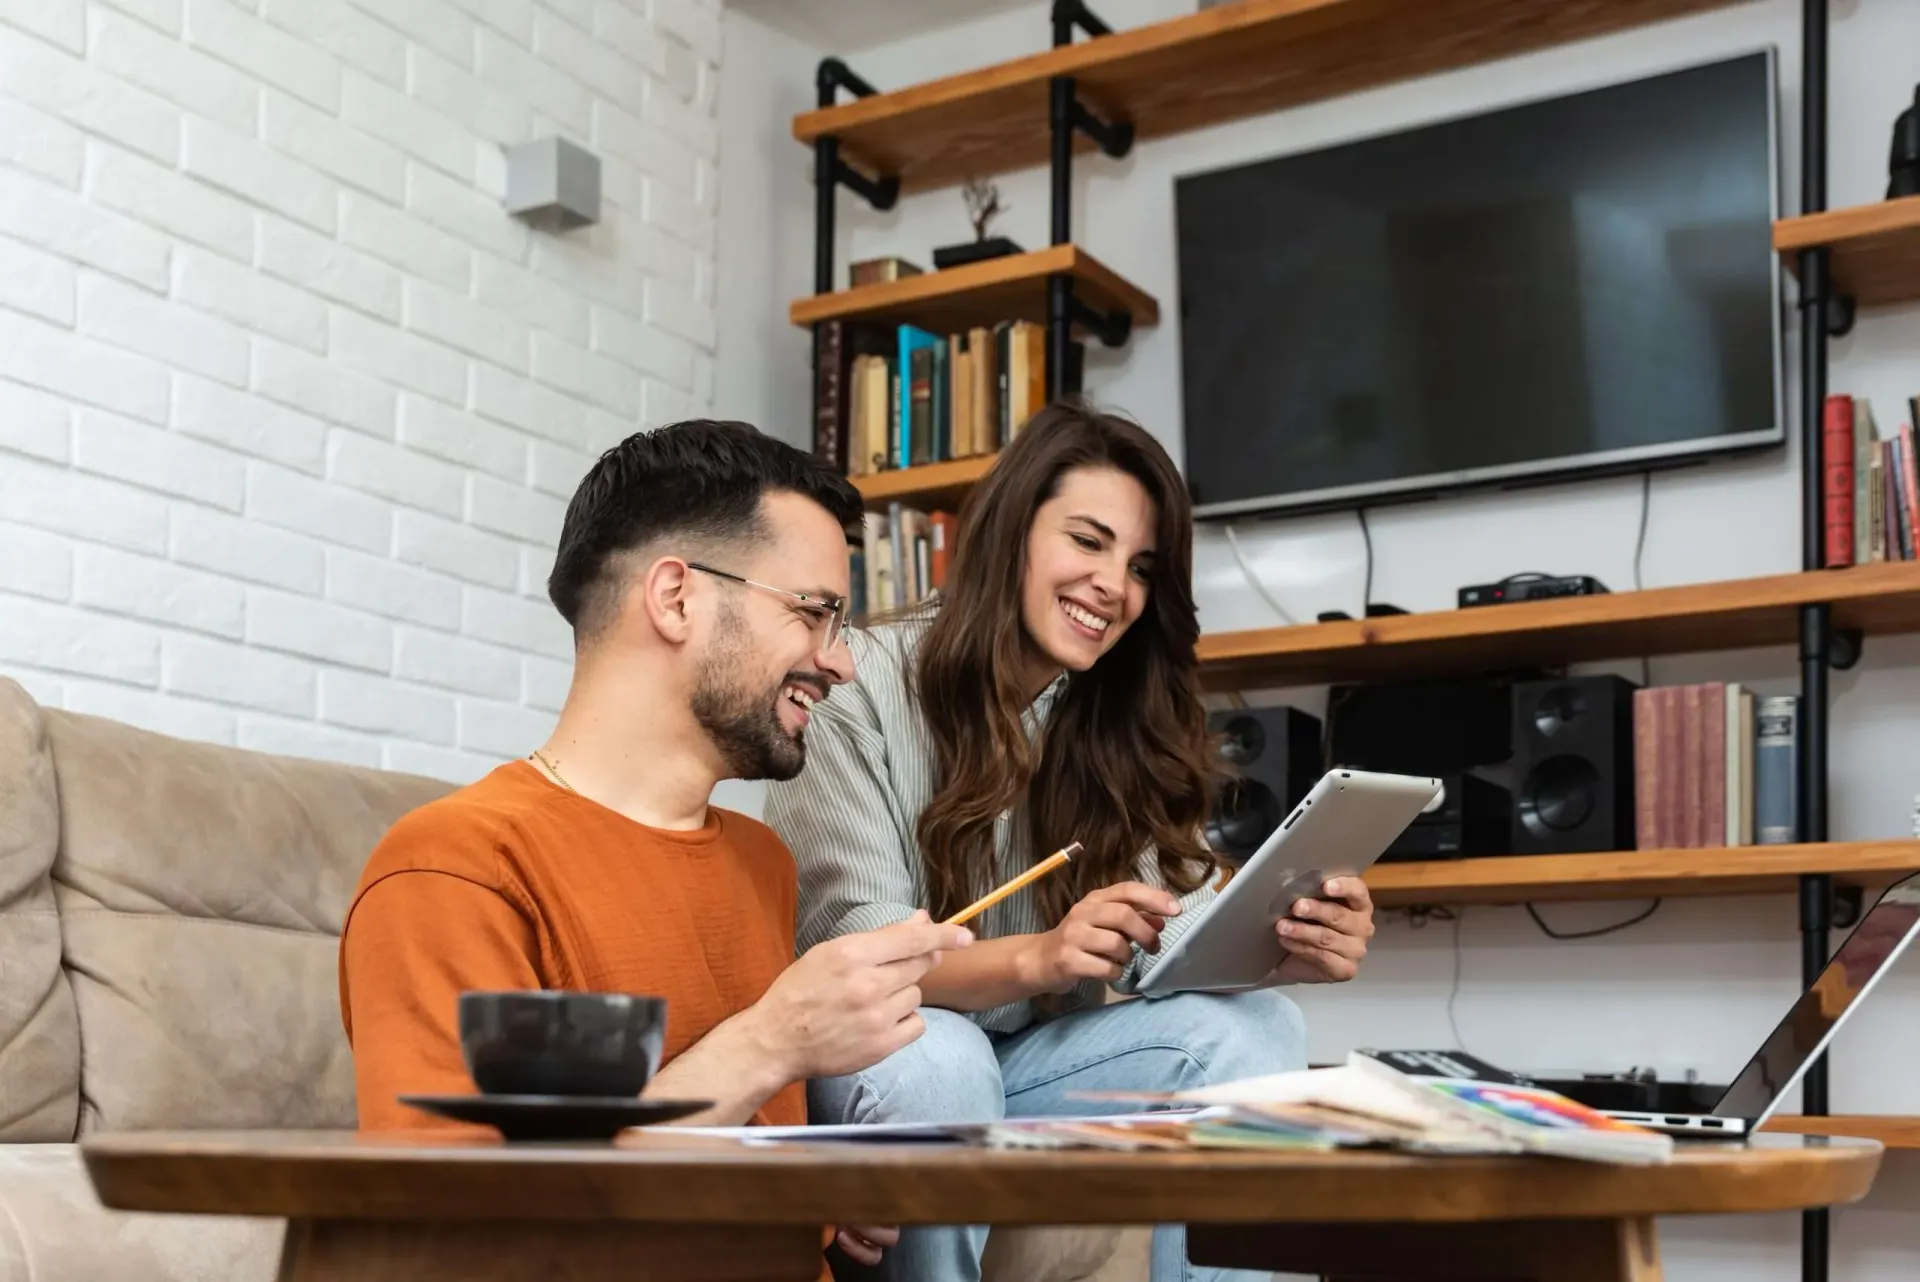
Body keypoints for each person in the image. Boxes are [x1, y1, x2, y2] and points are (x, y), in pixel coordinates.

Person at [338, 419, 971, 1272]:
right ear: (676, 597)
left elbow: (730, 1162)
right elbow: (461, 1228)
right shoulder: (453, 868)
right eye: (815, 613)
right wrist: (771, 1041)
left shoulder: (760, 862)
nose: (841, 664)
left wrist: (817, 1193)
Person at [764, 403, 1378, 1282]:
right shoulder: (858, 685)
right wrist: (1040, 959)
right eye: (1086, 542)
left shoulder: (1108, 720)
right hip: (883, 1056)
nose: (1113, 586)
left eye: (1137, 568)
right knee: (942, 1053)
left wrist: (1285, 944)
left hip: (1023, 1069)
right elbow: (858, 957)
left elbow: (1180, 925)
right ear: (1013, 532)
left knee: (1258, 1026)